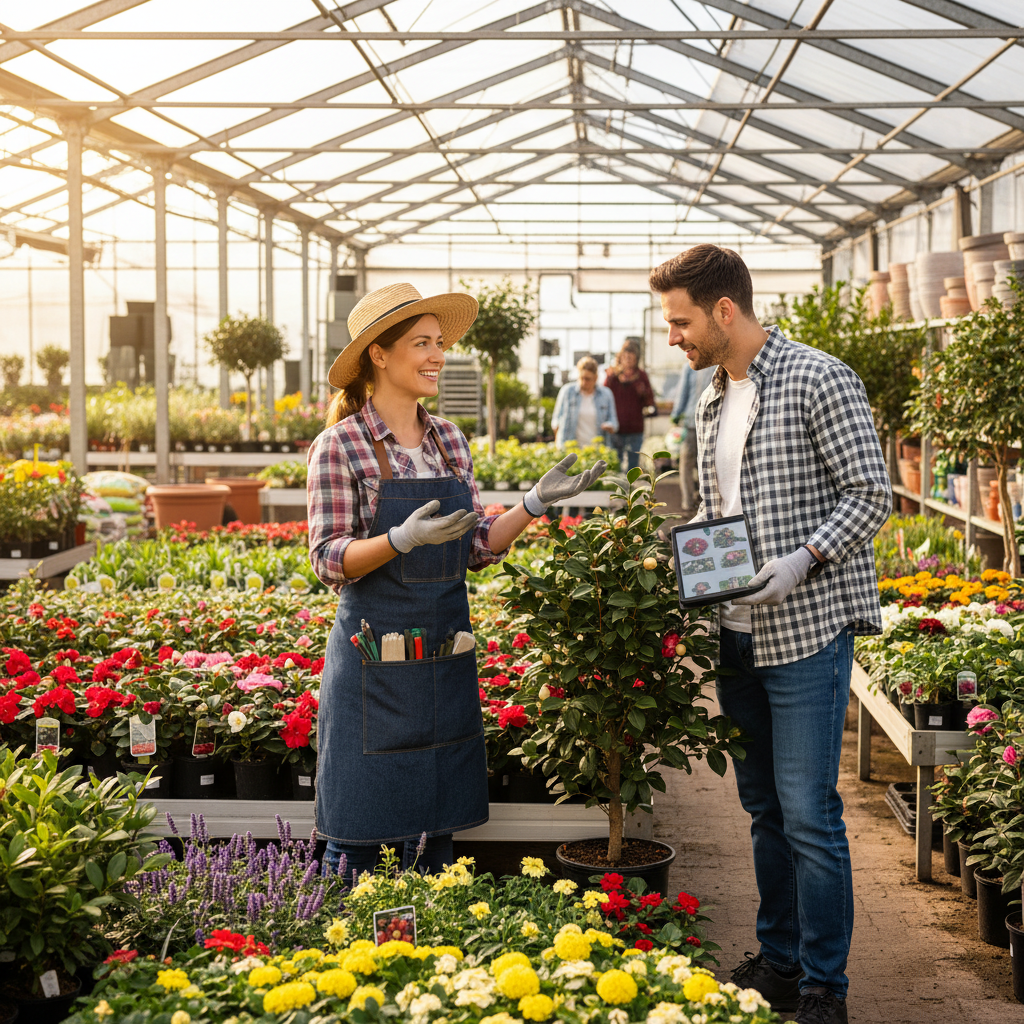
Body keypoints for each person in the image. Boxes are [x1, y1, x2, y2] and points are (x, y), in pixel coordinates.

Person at [650, 244, 891, 1024]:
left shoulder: (820, 378)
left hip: (806, 628)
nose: (673, 338)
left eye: (680, 322)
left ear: (725, 311)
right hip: (736, 631)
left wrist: (800, 561)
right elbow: (715, 513)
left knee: (809, 813)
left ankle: (826, 986)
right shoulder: (711, 400)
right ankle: (781, 962)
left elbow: (870, 494)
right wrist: (674, 554)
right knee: (761, 808)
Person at [306, 283, 605, 881]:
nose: (438, 355)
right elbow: (327, 558)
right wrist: (399, 540)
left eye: (440, 343)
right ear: (379, 355)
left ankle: (427, 948)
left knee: (433, 829)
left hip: (441, 652)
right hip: (374, 663)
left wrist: (532, 505)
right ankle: (338, 940)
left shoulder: (449, 440)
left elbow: (474, 547)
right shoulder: (340, 445)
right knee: (360, 832)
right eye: (422, 344)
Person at [551, 356, 617, 516]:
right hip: (571, 452)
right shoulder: (567, 392)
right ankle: (568, 525)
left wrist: (609, 426)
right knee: (569, 492)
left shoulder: (606, 394)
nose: (583, 382)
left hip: (594, 453)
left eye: (588, 379)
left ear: (595, 378)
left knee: (593, 495)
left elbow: (614, 422)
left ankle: (593, 527)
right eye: (581, 377)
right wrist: (557, 445)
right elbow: (555, 422)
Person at [670, 361, 715, 515]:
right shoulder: (717, 364)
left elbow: (683, 393)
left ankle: (687, 502)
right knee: (708, 463)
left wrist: (676, 415)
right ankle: (706, 501)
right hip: (712, 420)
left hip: (691, 421)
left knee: (686, 464)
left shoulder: (689, 365)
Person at [603, 340, 654, 474]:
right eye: (625, 357)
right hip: (616, 428)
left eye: (631, 358)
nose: (628, 360)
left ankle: (629, 492)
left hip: (635, 428)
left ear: (636, 359)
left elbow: (649, 400)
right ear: (620, 358)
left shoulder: (641, 376)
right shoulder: (612, 376)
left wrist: (642, 391)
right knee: (615, 463)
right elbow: (603, 397)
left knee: (633, 464)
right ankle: (615, 491)